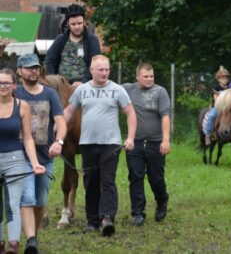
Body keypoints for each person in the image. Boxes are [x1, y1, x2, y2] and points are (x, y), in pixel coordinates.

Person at [64, 55, 136, 236]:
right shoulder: (82, 91)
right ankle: (92, 221)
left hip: (110, 143)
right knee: (91, 181)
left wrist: (131, 137)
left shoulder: (117, 90)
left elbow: (130, 114)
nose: (104, 73)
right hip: (88, 143)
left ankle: (108, 218)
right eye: (101, 70)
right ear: (91, 70)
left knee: (108, 181)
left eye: (107, 69)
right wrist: (57, 132)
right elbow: (68, 112)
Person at [15, 54, 67, 254]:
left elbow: (61, 122)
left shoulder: (50, 94)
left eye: (36, 67)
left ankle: (33, 235)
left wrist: (59, 142)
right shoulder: (14, 93)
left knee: (40, 200)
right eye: (28, 68)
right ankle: (30, 239)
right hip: (19, 156)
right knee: (26, 197)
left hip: (46, 157)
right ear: (20, 71)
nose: (33, 71)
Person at [0, 68, 45, 254]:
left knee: (12, 204)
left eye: (6, 83)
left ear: (14, 86)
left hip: (14, 159)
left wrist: (35, 163)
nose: (2, 86)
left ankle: (13, 245)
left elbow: (27, 138)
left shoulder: (22, 106)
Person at [123, 62, 171, 226]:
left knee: (155, 178)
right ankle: (138, 212)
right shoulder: (128, 89)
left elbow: (165, 116)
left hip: (155, 143)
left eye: (151, 76)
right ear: (137, 77)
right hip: (134, 142)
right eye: (145, 76)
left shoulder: (160, 92)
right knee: (135, 176)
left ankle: (162, 199)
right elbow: (107, 88)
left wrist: (165, 140)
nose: (149, 79)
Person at [45, 3, 101, 88]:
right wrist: (53, 81)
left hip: (86, 85)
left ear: (84, 22)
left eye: (79, 23)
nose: (77, 27)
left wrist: (83, 82)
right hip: (61, 86)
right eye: (73, 24)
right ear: (68, 24)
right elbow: (50, 60)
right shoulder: (60, 39)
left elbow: (95, 63)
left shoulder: (92, 40)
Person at [204, 66, 230, 146]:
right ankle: (208, 135)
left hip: (227, 108)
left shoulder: (229, 88)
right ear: (218, 79)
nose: (224, 80)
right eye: (222, 78)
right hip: (217, 107)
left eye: (225, 78)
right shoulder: (216, 88)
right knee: (211, 116)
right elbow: (216, 100)